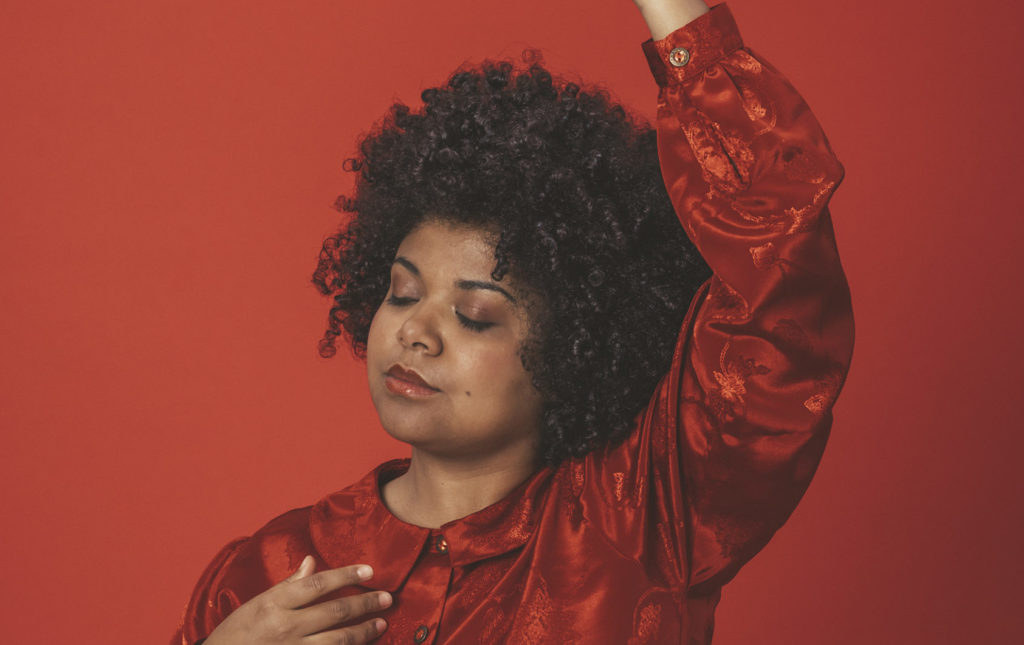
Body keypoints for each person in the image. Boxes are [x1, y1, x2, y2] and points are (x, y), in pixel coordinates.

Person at [172, 1, 854, 643]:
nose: (415, 333)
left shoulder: (644, 522)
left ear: (573, 348)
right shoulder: (267, 569)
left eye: (473, 316)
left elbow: (780, 270)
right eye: (402, 294)